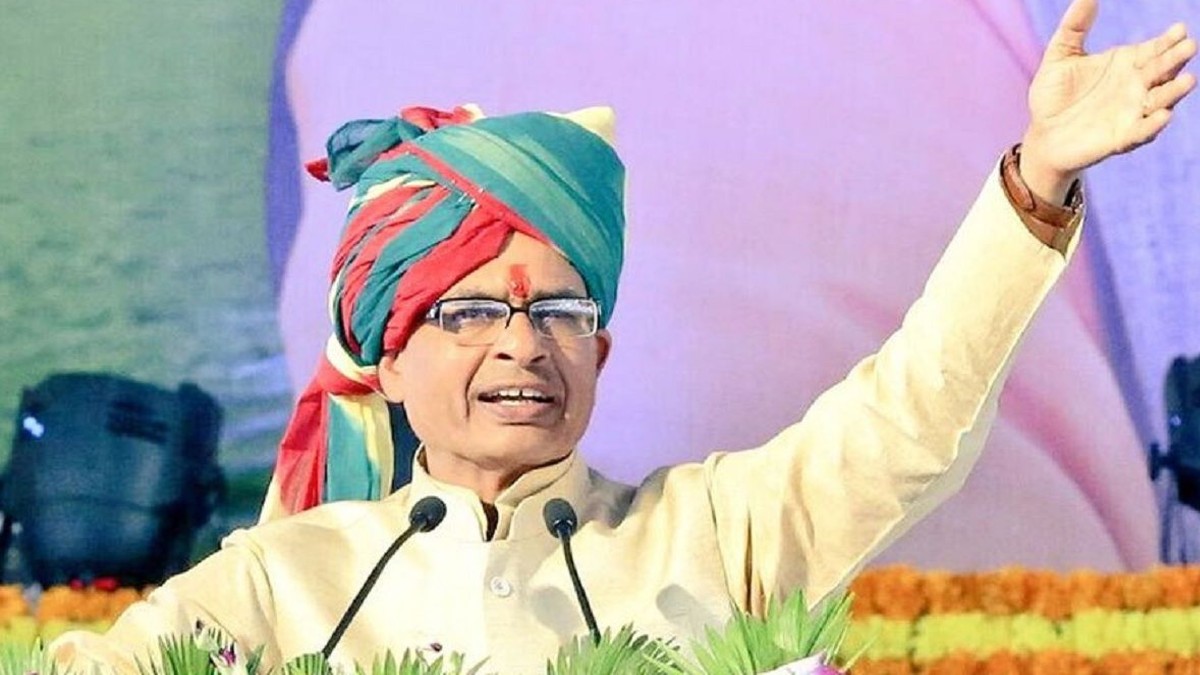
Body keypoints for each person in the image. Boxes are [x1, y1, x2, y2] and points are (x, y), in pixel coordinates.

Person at [51, 0, 1196, 672]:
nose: (521, 345)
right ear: (387, 361)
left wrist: (1037, 180)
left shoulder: (713, 539)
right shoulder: (282, 585)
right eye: (469, 312)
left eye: (559, 312)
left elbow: (914, 413)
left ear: (598, 353)